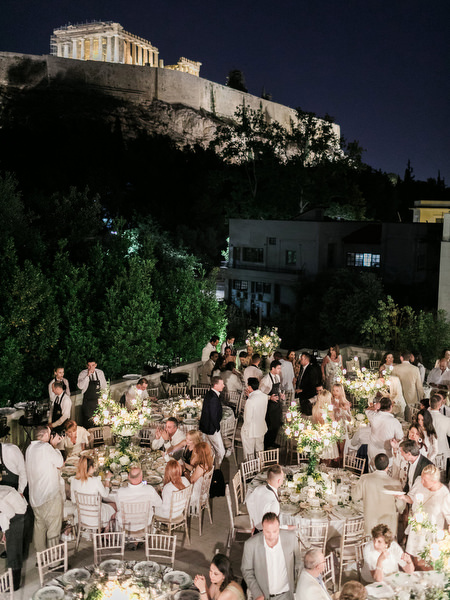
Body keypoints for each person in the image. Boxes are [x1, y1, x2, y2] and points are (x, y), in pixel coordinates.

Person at [400, 464, 450, 568]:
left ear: (434, 481)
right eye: (421, 478)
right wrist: (402, 497)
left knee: (427, 564)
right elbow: (413, 500)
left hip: (430, 534)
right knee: (414, 561)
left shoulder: (444, 494)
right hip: (416, 531)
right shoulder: (420, 484)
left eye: (425, 480)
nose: (422, 482)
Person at [241, 512, 300, 600]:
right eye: (267, 531)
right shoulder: (250, 544)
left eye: (275, 531)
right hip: (264, 596)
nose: (271, 535)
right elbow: (246, 570)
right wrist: (257, 593)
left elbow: (298, 564)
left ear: (279, 527)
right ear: (262, 528)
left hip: (286, 595)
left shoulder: (291, 538)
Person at [25, 425, 64, 551]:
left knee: (39, 527)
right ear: (46, 435)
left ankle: (41, 559)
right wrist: (54, 446)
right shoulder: (46, 447)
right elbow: (60, 463)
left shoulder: (29, 448)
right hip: (49, 496)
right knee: (53, 528)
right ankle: (54, 561)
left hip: (35, 498)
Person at [353, 453, 402, 536]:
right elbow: (401, 506)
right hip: (388, 526)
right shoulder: (395, 483)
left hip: (371, 524)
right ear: (388, 466)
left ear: (374, 465)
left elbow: (355, 496)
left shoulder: (365, 478)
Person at [70, 456, 115, 529]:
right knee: (114, 506)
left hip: (81, 517)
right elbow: (105, 495)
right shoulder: (95, 480)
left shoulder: (73, 480)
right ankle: (106, 531)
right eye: (93, 466)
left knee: (104, 506)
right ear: (90, 468)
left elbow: (73, 500)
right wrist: (107, 482)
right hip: (96, 517)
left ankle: (104, 531)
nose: (94, 468)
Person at [0, 485, 28, 590]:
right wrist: (4, 532)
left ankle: (14, 585)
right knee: (13, 550)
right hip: (16, 510)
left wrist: (5, 531)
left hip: (17, 515)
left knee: (13, 551)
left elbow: (10, 514)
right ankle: (12, 579)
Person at [366, 397, 403, 469]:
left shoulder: (373, 416)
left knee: (373, 473)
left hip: (373, 451)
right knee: (386, 475)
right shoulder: (394, 421)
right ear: (391, 407)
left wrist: (374, 406)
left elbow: (367, 410)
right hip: (387, 454)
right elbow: (400, 438)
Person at [246, 465, 284, 531]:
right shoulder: (274, 502)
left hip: (255, 527)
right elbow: (272, 526)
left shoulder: (258, 489)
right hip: (264, 532)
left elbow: (248, 502)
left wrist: (253, 521)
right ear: (278, 481)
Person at [199, 376, 225, 468]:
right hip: (211, 429)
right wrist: (217, 428)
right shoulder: (213, 398)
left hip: (206, 427)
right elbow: (213, 416)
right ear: (215, 385)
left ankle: (211, 468)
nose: (224, 385)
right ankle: (217, 470)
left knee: (211, 451)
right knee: (221, 452)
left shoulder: (210, 393)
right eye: (222, 384)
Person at [241, 378, 269, 459]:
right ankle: (260, 467)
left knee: (249, 452)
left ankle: (251, 468)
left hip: (251, 430)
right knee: (260, 450)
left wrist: (245, 429)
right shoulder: (264, 396)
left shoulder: (250, 401)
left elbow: (247, 419)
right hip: (261, 427)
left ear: (249, 387)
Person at [259, 360, 285, 450]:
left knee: (276, 425)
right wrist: (270, 398)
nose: (280, 370)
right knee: (269, 426)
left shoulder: (277, 377)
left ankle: (272, 442)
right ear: (273, 368)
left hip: (277, 405)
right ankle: (265, 445)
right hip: (269, 406)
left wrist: (281, 394)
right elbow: (260, 394)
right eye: (278, 368)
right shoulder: (266, 380)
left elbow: (278, 389)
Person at [392, 351, 423, 421]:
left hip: (398, 399)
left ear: (401, 358)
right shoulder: (415, 369)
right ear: (409, 358)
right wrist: (422, 399)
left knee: (399, 421)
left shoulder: (395, 368)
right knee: (410, 420)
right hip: (411, 399)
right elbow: (419, 387)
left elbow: (392, 385)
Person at [77, 360, 107, 429]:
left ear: (95, 365)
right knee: (88, 424)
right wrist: (87, 376)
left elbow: (104, 387)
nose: (91, 368)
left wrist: (104, 400)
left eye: (93, 365)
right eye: (89, 366)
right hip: (87, 403)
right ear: (87, 366)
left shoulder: (100, 373)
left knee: (99, 424)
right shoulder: (82, 373)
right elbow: (80, 386)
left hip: (98, 402)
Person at [312, 390, 339, 463]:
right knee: (327, 458)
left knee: (319, 458)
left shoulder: (315, 408)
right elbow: (334, 424)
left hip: (317, 434)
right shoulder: (328, 410)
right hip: (327, 435)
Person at [186, 442, 214, 508]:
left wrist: (184, 472)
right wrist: (185, 465)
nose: (194, 453)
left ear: (199, 455)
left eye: (196, 452)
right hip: (202, 492)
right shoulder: (207, 462)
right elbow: (194, 470)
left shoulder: (200, 467)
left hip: (195, 495)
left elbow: (191, 480)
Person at [295, 352, 321, 416]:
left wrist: (302, 390)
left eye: (302, 358)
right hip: (301, 396)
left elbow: (312, 384)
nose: (300, 359)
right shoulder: (302, 368)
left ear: (306, 360)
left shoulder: (311, 369)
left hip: (308, 397)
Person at [429, 394, 450, 460]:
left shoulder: (423, 418)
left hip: (429, 450)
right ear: (440, 405)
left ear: (429, 403)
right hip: (443, 451)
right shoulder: (446, 420)